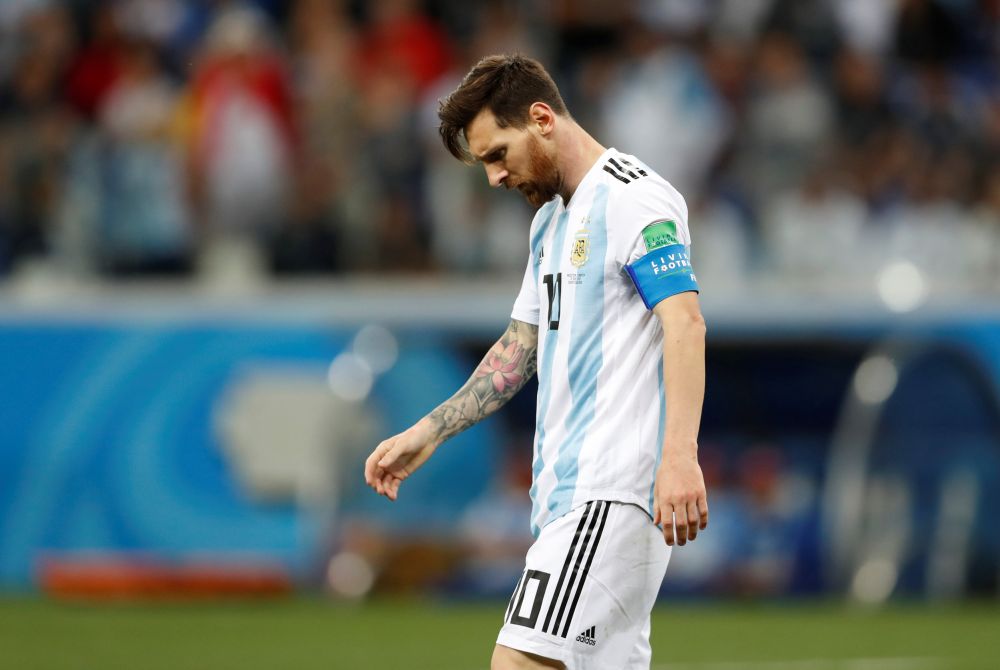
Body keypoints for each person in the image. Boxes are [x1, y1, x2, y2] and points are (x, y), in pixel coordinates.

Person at [364, 54, 709, 670]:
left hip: (610, 492)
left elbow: (684, 323)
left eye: (497, 154)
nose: (494, 177)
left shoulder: (635, 198)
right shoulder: (550, 222)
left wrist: (680, 455)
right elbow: (520, 346)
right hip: (563, 503)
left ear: (542, 118)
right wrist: (429, 430)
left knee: (517, 664)